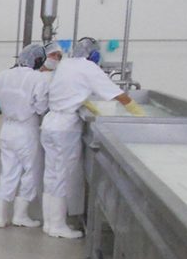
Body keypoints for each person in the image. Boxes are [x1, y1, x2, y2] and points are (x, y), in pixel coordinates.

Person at [41, 37, 143, 238]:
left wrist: (86, 103)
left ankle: (49, 223)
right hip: (65, 126)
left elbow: (71, 90)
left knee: (51, 175)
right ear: (93, 54)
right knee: (62, 176)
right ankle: (58, 226)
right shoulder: (88, 67)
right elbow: (117, 95)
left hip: (50, 123)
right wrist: (138, 113)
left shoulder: (65, 64)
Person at [0, 43, 50, 228]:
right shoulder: (38, 78)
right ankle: (20, 215)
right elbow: (41, 107)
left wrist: (5, 107)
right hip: (26, 130)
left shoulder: (3, 75)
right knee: (31, 171)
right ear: (38, 60)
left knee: (8, 172)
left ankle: (1, 217)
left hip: (7, 128)